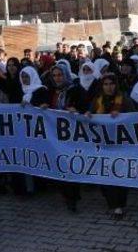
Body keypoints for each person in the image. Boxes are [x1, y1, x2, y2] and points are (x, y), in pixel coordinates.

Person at [89, 73, 135, 219]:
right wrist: (87, 115)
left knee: (119, 174)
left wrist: (121, 116)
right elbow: (89, 115)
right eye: (106, 84)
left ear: (116, 85)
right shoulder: (97, 101)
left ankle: (119, 206)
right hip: (103, 145)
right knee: (105, 175)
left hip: (121, 145)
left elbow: (134, 117)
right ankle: (112, 203)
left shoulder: (124, 100)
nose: (109, 87)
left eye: (111, 84)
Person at [45, 63, 86, 212]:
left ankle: (72, 199)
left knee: (70, 166)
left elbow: (86, 107)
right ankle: (69, 195)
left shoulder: (76, 90)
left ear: (66, 74)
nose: (57, 78)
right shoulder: (50, 91)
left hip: (73, 135)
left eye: (60, 75)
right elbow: (44, 106)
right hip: (55, 136)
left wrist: (77, 110)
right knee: (60, 166)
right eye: (54, 75)